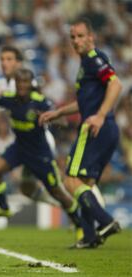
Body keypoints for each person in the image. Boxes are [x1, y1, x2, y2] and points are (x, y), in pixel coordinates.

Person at [39, 18, 122, 248]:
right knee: (84, 181)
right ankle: (89, 236)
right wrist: (58, 113)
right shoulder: (87, 64)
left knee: (70, 180)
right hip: (107, 129)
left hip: (95, 126)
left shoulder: (94, 59)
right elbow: (84, 102)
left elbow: (116, 85)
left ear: (91, 37)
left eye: (80, 36)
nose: (76, 41)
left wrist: (100, 115)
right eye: (73, 37)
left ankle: (105, 221)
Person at [0, 68, 84, 233]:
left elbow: (63, 121)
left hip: (40, 154)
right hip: (19, 149)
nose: (21, 85)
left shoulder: (40, 101)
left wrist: (51, 117)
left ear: (31, 84)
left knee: (57, 193)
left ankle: (80, 224)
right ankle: (4, 208)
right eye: (19, 82)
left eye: (25, 82)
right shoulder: (10, 99)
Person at [0, 46, 60, 220]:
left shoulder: (26, 83)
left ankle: (77, 205)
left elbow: (39, 104)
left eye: (9, 59)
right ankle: (60, 205)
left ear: (19, 63)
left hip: (40, 141)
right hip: (22, 142)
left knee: (55, 184)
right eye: (2, 59)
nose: (4, 63)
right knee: (27, 189)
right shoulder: (1, 83)